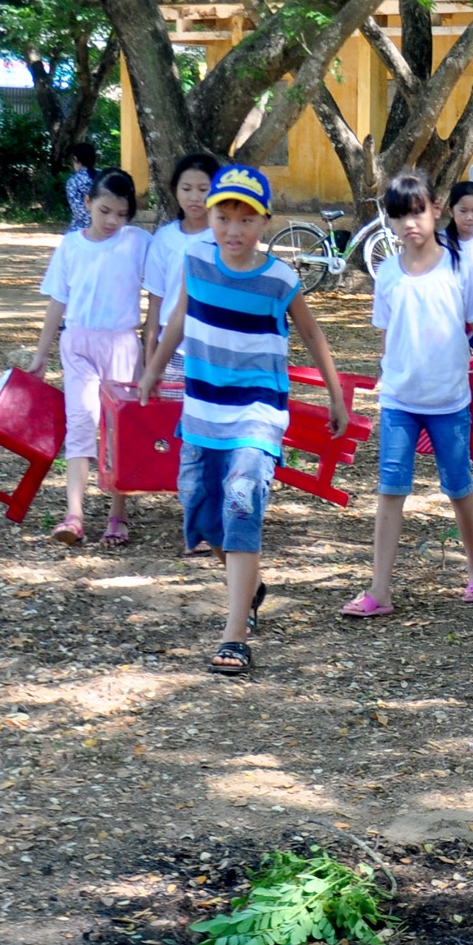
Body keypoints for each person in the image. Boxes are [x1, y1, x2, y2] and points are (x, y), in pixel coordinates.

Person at [140, 164, 350, 675]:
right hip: (202, 412)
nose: (234, 229)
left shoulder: (279, 279)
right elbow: (177, 320)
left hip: (256, 413)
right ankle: (249, 587)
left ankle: (235, 634)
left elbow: (313, 335)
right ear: (210, 217)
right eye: (224, 216)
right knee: (201, 512)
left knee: (241, 503)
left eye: (246, 218)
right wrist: (151, 371)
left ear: (265, 222)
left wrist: (336, 397)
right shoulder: (195, 262)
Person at [339, 170, 473, 619]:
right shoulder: (388, 273)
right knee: (390, 489)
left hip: (450, 401)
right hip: (398, 401)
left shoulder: (460, 266)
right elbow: (388, 334)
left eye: (417, 212)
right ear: (389, 222)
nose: (409, 224)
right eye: (398, 216)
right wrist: (386, 379)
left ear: (434, 210)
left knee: (458, 486)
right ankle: (379, 589)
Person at [28, 167, 150, 548]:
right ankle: (74, 515)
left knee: (120, 430)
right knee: (81, 422)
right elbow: (57, 302)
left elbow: (164, 289)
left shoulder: (139, 242)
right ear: (86, 204)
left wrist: (154, 351)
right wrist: (41, 353)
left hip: (122, 343)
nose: (113, 220)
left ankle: (118, 515)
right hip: (78, 343)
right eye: (104, 211)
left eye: (121, 213)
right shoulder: (70, 246)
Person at [141, 152, 221, 384]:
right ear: (175, 190)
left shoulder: (226, 239)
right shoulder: (164, 239)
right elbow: (155, 303)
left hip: (217, 352)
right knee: (170, 419)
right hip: (173, 352)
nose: (194, 197)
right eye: (186, 189)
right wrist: (151, 361)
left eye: (203, 189)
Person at [64, 142, 98, 234]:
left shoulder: (74, 181)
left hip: (80, 232)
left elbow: (79, 211)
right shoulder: (104, 177)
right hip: (105, 231)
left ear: (75, 159)